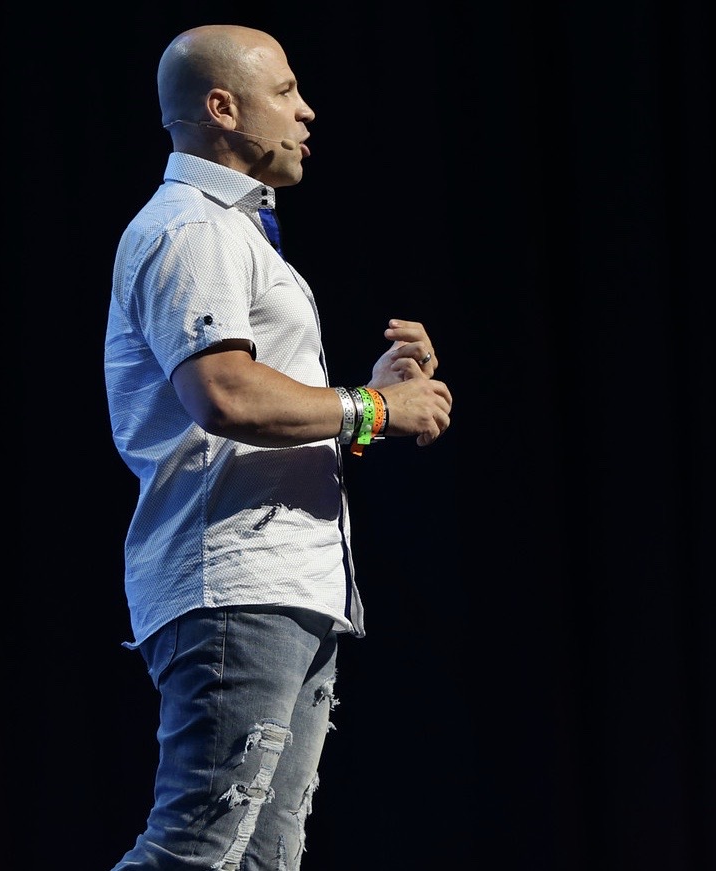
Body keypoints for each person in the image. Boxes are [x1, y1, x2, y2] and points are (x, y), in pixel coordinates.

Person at [104, 23, 452, 871]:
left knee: (259, 858)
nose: (306, 110)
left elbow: (260, 409)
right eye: (286, 91)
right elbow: (224, 395)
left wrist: (365, 399)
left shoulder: (236, 231)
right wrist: (376, 407)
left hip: (282, 581)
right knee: (199, 848)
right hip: (233, 581)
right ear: (222, 108)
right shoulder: (194, 229)